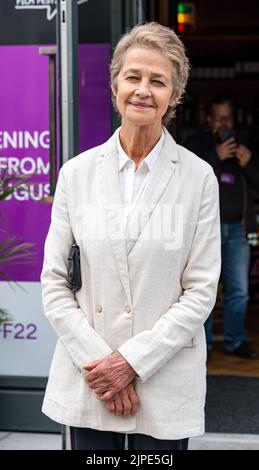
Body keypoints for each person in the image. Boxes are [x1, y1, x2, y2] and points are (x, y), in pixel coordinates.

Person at [41, 22, 221, 451]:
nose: (143, 90)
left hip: (163, 378)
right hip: (91, 379)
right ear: (115, 84)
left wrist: (132, 363)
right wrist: (103, 366)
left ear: (174, 95)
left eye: (158, 81)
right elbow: (54, 284)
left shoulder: (198, 178)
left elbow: (199, 291)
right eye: (133, 77)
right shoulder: (77, 174)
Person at [185, 97, 259, 360]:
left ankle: (235, 341)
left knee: (239, 290)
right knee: (204, 289)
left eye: (228, 118)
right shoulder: (199, 143)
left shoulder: (245, 145)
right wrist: (216, 156)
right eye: (219, 118)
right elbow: (186, 180)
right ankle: (202, 345)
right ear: (209, 120)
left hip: (238, 230)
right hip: (207, 231)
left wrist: (248, 163)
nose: (224, 124)